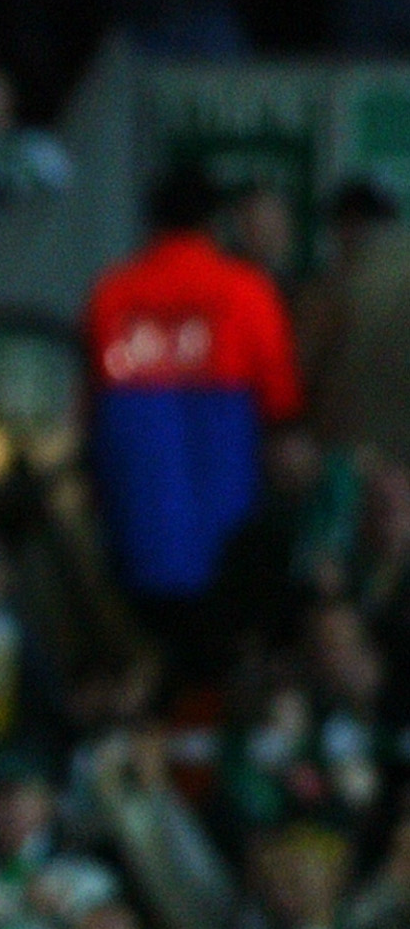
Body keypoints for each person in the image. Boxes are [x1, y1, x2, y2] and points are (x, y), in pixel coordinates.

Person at [85, 164, 301, 653]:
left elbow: (90, 410)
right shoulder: (248, 291)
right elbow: (282, 404)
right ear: (214, 223)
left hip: (136, 529)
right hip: (228, 536)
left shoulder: (112, 293)